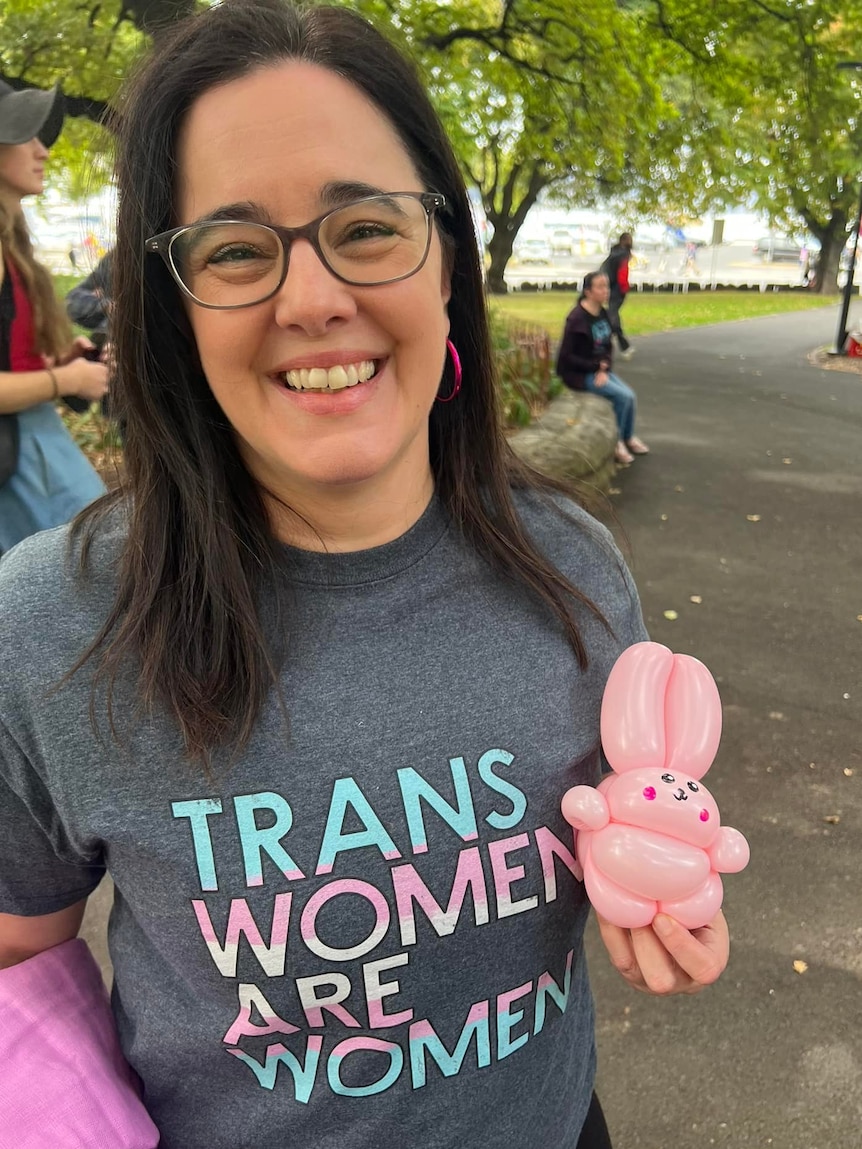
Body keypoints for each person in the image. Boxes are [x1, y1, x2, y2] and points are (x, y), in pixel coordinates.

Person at [0, 4, 728, 1148]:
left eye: (368, 228)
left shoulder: (577, 575)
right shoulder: (50, 625)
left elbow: (634, 822)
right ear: (174, 306)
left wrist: (669, 908)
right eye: (235, 250)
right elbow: (19, 972)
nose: (311, 299)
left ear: (446, 255)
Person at [0, 79, 109, 555]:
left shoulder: (11, 249)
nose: (43, 149)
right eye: (26, 134)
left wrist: (62, 362)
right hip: (21, 458)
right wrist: (67, 381)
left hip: (32, 441)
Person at [556, 271, 649, 466]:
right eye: (600, 286)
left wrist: (603, 368)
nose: (605, 290)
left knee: (630, 395)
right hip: (579, 374)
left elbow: (607, 345)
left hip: (599, 370)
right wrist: (596, 367)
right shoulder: (577, 319)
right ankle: (616, 443)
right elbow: (566, 357)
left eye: (606, 286)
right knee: (622, 397)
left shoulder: (603, 313)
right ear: (588, 291)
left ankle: (628, 437)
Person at [599, 231, 634, 356]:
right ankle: (621, 344)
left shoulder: (614, 253)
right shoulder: (623, 255)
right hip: (617, 289)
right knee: (612, 317)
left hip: (610, 286)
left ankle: (609, 344)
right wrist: (624, 288)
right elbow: (622, 274)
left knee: (611, 315)